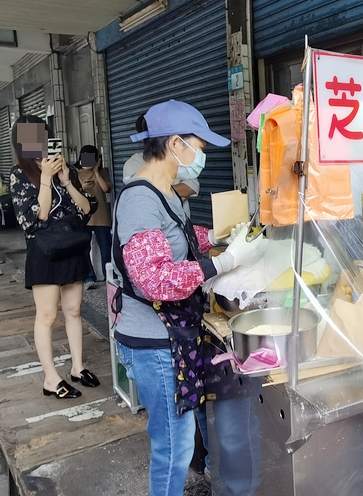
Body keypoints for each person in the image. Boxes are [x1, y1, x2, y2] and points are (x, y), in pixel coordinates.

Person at [111, 100, 258, 496]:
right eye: (200, 147)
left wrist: (223, 239)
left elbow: (180, 239)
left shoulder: (165, 192)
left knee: (183, 437)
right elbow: (156, 280)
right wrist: (223, 263)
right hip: (156, 341)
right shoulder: (140, 200)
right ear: (175, 144)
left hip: (174, 334)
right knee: (173, 448)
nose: (202, 157)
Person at [9, 115, 99, 399]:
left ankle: (77, 367)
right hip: (44, 252)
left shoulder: (65, 168)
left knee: (73, 311)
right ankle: (50, 378)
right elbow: (38, 218)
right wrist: (46, 179)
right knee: (47, 316)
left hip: (72, 247)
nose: (42, 142)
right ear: (22, 142)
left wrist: (66, 181)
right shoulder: (19, 174)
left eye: (44, 135)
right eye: (34, 137)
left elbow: (86, 210)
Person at [124, 151, 199, 219]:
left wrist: (157, 191)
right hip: (151, 225)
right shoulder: (134, 162)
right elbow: (142, 195)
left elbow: (191, 187)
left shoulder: (179, 160)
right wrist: (178, 196)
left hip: (181, 225)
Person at [76, 145, 111, 288]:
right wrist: (83, 188)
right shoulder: (76, 173)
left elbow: (106, 189)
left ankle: (109, 276)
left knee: (106, 248)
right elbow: (74, 193)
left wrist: (96, 172)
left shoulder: (104, 172)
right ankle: (89, 277)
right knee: (83, 249)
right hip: (84, 216)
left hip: (101, 216)